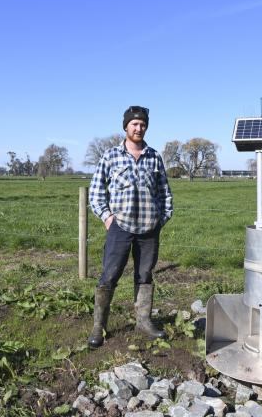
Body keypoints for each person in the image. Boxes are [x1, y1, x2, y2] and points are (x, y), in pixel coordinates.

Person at [87, 105, 174, 348]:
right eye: (134, 124)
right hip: (120, 228)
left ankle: (143, 321)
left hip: (149, 229)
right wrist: (107, 217)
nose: (139, 128)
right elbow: (95, 191)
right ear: (126, 126)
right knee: (109, 275)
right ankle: (99, 326)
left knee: (145, 275)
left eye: (143, 124)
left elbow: (164, 192)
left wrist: (161, 218)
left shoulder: (154, 156)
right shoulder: (110, 156)